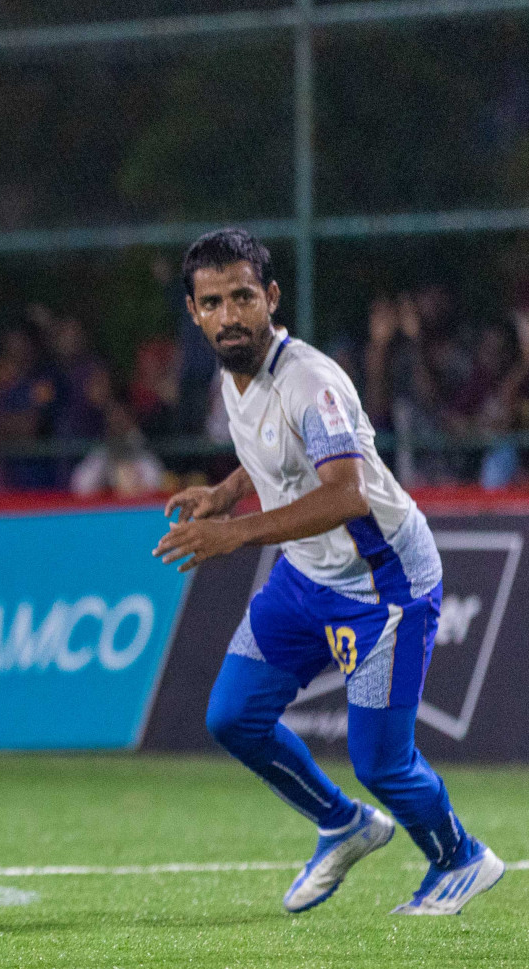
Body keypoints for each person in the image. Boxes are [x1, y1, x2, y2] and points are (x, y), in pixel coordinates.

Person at [154, 229, 501, 917]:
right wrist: (225, 493)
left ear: (271, 298)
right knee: (233, 717)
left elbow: (346, 493)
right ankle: (342, 823)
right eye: (213, 302)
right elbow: (271, 455)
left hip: (384, 584)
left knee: (381, 763)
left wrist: (232, 532)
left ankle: (460, 858)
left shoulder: (311, 381)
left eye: (244, 297)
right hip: (307, 578)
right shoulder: (234, 373)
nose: (230, 315)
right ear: (195, 313)